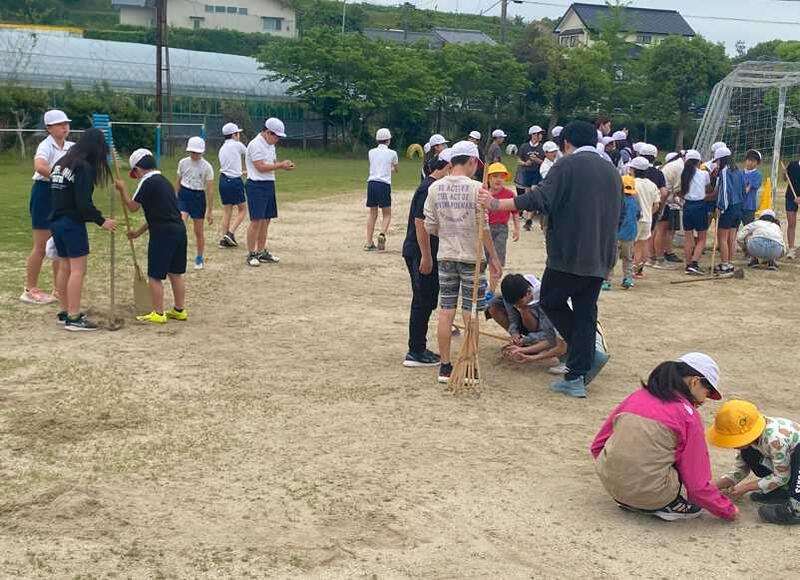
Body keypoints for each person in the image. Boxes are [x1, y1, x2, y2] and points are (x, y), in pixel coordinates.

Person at [479, 120, 622, 398]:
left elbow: (539, 198)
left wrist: (496, 204)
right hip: (601, 254)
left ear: (566, 143)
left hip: (569, 253)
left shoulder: (566, 165)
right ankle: (577, 374)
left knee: (551, 301)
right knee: (586, 310)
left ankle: (584, 356)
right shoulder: (611, 170)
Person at [592, 353, 737, 521]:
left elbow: (597, 445)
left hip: (611, 485)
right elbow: (697, 485)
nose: (705, 399)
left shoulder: (636, 397)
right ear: (695, 381)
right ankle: (667, 504)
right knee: (683, 458)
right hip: (652, 496)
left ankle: (631, 493)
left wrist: (623, 473)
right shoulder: (687, 415)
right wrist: (728, 509)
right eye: (708, 391)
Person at [424, 140, 502, 384]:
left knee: (446, 310)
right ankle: (469, 364)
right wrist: (494, 257)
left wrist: (449, 232)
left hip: (446, 255)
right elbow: (484, 227)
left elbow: (430, 225)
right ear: (471, 161)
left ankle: (445, 366)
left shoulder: (434, 188)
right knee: (471, 313)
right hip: (472, 258)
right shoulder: (477, 188)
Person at [49, 128, 117, 331]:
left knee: (65, 266)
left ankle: (64, 311)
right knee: (78, 270)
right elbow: (83, 204)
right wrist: (101, 221)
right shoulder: (83, 167)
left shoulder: (61, 163)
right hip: (71, 223)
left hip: (57, 221)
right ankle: (74, 317)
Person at [115, 148, 188, 324]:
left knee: (154, 275)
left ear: (138, 169)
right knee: (175, 273)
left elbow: (133, 207)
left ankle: (158, 313)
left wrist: (123, 190)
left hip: (163, 234)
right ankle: (179, 310)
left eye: (135, 173)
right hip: (179, 229)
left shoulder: (147, 182)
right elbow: (158, 215)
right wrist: (137, 233)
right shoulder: (165, 182)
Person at [709, 400, 800, 525]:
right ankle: (782, 492)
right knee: (749, 454)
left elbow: (782, 476)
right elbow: (740, 470)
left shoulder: (774, 439)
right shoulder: (752, 438)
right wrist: (712, 488)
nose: (733, 446)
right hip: (790, 466)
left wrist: (746, 487)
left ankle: (796, 507)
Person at [402, 149, 451, 368]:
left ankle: (418, 347)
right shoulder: (428, 188)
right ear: (447, 167)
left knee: (427, 299)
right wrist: (426, 256)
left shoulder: (433, 187)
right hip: (420, 252)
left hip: (426, 251)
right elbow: (419, 223)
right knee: (422, 301)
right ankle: (416, 350)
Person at [22, 109, 74, 305]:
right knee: (41, 246)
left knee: (59, 244)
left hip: (60, 194)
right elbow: (40, 166)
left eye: (66, 123)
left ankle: (59, 289)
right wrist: (60, 175)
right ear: (49, 128)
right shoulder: (45, 145)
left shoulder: (70, 146)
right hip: (44, 193)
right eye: (60, 124)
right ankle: (30, 289)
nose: (65, 127)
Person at [245, 117, 294, 267]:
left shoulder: (270, 146)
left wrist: (283, 166)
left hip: (268, 184)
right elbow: (260, 166)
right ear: (268, 132)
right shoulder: (255, 145)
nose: (277, 139)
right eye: (276, 136)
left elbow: (271, 163)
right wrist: (280, 166)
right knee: (256, 220)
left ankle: (261, 251)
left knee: (266, 220)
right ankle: (251, 253)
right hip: (256, 185)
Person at [175, 136, 214, 270]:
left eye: (197, 152)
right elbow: (178, 181)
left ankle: (199, 257)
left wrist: (210, 211)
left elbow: (210, 189)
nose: (195, 155)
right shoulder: (183, 163)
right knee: (180, 225)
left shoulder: (207, 167)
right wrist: (175, 198)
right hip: (184, 194)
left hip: (198, 197)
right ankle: (177, 254)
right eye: (192, 152)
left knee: (198, 231)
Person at [678, 150, 713, 275]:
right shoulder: (704, 174)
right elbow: (708, 188)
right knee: (702, 237)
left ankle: (688, 264)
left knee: (688, 237)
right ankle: (694, 263)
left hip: (687, 206)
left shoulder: (683, 174)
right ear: (699, 162)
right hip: (700, 206)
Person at [485, 162, 520, 288]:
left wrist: (517, 229)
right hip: (484, 229)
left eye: (502, 177)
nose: (498, 180)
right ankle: (480, 287)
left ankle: (491, 291)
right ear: (488, 178)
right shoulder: (483, 193)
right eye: (495, 176)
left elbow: (515, 213)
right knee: (481, 259)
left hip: (501, 229)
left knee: (496, 261)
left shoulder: (509, 194)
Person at [602, 174, 639, 291]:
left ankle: (607, 280)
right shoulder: (635, 202)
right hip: (630, 235)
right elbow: (638, 215)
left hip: (615, 234)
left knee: (611, 258)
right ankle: (628, 278)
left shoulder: (616, 200)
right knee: (628, 258)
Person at [365, 128, 399, 251]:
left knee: (372, 214)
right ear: (388, 140)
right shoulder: (392, 153)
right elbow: (396, 169)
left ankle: (368, 242)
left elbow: (376, 164)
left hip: (371, 183)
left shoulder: (371, 152)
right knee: (387, 214)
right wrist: (390, 169)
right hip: (384, 184)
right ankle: (382, 234)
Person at [712, 146, 745, 275]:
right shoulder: (738, 171)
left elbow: (725, 191)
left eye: (717, 161)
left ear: (721, 160)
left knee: (722, 238)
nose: (717, 164)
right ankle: (730, 262)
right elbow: (743, 191)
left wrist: (720, 207)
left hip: (728, 208)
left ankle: (725, 265)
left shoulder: (725, 172)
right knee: (731, 237)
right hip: (738, 207)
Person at [217, 122, 248, 249]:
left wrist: (242, 172)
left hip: (223, 180)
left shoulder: (222, 148)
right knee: (243, 209)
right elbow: (249, 154)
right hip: (234, 181)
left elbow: (230, 167)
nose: (239, 135)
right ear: (234, 134)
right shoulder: (237, 145)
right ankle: (230, 233)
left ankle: (224, 239)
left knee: (227, 211)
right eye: (238, 133)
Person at [629, 157, 660, 279]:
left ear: (633, 169)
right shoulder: (652, 185)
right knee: (643, 244)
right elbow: (656, 204)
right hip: (647, 218)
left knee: (631, 244)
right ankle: (639, 269)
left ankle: (630, 268)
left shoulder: (632, 182)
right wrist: (649, 213)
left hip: (633, 218)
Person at [653, 151, 684, 266]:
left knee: (665, 230)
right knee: (661, 231)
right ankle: (659, 256)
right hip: (666, 203)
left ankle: (655, 255)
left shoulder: (665, 169)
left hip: (668, 203)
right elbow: (667, 192)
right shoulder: (674, 168)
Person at [741, 149, 762, 226]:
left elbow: (749, 187)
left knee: (749, 227)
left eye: (753, 161)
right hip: (738, 205)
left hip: (749, 206)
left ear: (757, 163)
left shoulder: (757, 175)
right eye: (749, 160)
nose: (750, 163)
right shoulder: (740, 173)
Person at [785, 158, 800, 260]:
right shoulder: (792, 164)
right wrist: (784, 174)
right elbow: (785, 179)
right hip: (791, 197)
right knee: (791, 223)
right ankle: (791, 249)